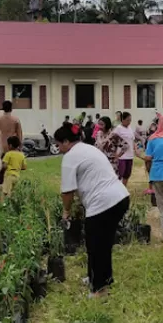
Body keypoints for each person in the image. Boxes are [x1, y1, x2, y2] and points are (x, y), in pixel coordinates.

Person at [55, 122, 130, 299]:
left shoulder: (70, 157)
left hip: (103, 204)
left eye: (58, 144)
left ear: (66, 141)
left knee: (97, 245)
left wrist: (66, 212)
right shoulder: (88, 149)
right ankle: (99, 278)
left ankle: (99, 289)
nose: (57, 148)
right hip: (120, 198)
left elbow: (67, 191)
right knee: (102, 243)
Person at [0, 101, 23, 185]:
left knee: (1, 168)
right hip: (12, 146)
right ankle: (11, 184)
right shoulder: (16, 120)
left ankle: (1, 184)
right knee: (12, 168)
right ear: (11, 109)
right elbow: (19, 134)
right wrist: (20, 147)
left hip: (1, 146)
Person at [112, 111, 135, 186]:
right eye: (128, 120)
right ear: (123, 120)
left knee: (127, 174)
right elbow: (113, 141)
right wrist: (116, 154)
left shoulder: (130, 128)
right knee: (120, 174)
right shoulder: (118, 129)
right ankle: (117, 189)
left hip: (130, 155)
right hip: (121, 156)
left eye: (130, 120)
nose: (129, 122)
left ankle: (124, 189)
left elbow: (132, 140)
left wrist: (136, 150)